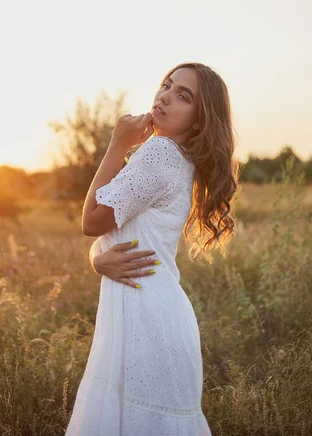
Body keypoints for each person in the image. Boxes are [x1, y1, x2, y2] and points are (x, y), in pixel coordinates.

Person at [65, 62, 240, 436]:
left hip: (146, 317)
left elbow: (91, 222)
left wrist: (117, 143)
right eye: (167, 85)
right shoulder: (179, 160)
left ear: (198, 121)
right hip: (155, 312)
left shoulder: (159, 152)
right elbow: (115, 238)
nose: (164, 96)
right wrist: (98, 260)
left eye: (183, 96)